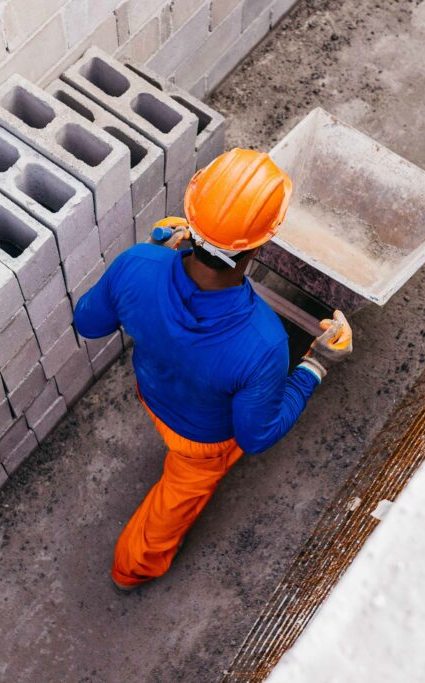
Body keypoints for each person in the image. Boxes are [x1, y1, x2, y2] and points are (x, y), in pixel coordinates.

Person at [73, 148, 353, 591]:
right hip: (201, 444)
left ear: (191, 215)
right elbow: (255, 436)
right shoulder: (264, 342)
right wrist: (316, 365)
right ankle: (131, 570)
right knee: (171, 506)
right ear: (262, 244)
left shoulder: (137, 264)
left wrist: (154, 252)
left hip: (152, 391)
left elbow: (89, 323)